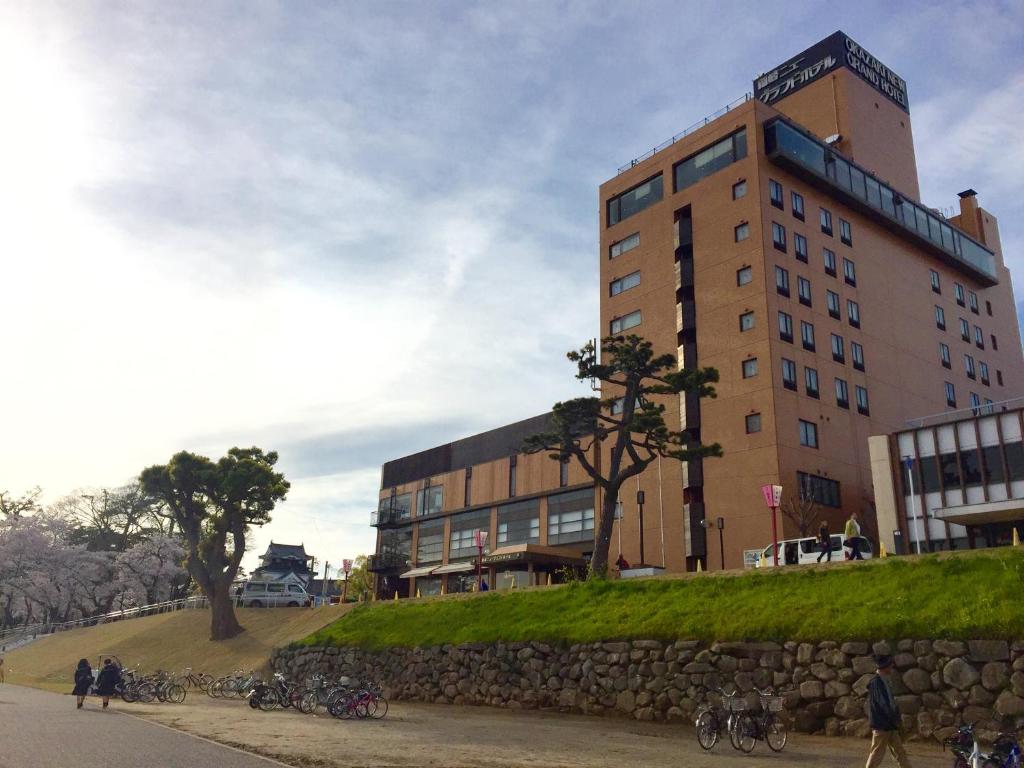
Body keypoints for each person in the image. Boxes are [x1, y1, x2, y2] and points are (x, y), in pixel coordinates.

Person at [865, 654, 912, 767]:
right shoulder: (876, 683)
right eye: (890, 665)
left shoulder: (883, 681)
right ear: (885, 666)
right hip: (882, 724)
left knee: (899, 752)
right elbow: (883, 704)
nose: (891, 666)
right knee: (876, 753)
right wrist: (893, 717)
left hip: (889, 724)